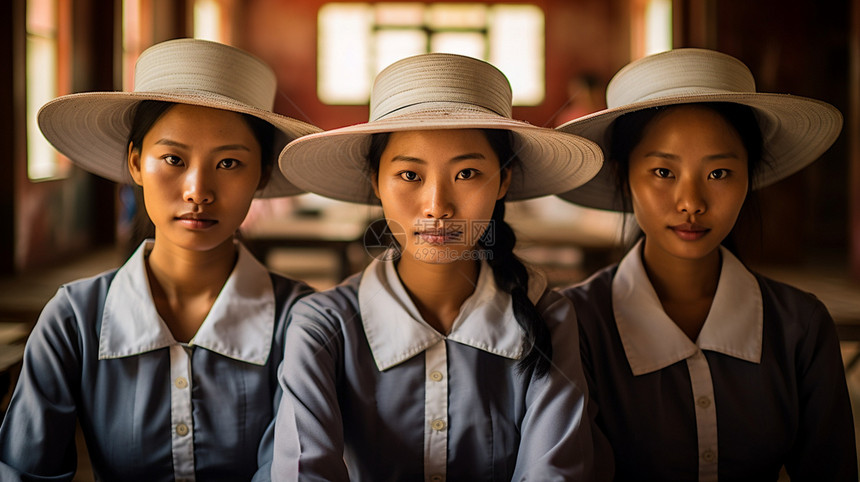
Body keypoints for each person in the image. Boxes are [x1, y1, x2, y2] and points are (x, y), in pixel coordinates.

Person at [270, 52, 603, 480]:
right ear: (376, 181)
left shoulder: (548, 318)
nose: (436, 207)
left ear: (503, 181)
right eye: (410, 175)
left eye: (467, 173)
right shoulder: (320, 326)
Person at [0, 38, 320, 481]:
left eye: (229, 164)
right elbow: (24, 471)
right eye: (172, 158)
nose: (197, 190)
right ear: (135, 162)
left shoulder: (303, 319)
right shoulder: (74, 317)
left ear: (261, 175)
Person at [556, 48, 857, 480]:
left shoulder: (800, 326)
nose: (691, 203)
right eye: (663, 172)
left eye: (719, 174)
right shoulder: (574, 324)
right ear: (625, 175)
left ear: (749, 177)